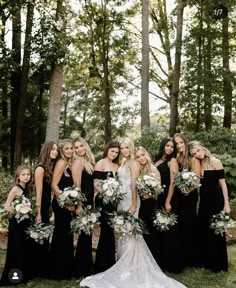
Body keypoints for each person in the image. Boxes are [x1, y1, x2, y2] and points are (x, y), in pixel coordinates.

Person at [80, 145, 187, 288]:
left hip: (130, 200)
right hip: (120, 200)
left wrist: (134, 204)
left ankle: (131, 265)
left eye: (125, 148)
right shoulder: (123, 162)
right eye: (121, 148)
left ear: (130, 148)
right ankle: (122, 262)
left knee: (130, 231)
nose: (123, 151)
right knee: (122, 231)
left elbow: (134, 185)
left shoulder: (134, 163)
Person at [188, 141, 230, 272]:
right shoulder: (198, 163)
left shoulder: (215, 161)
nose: (197, 154)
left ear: (202, 147)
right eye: (194, 154)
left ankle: (220, 263)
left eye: (197, 151)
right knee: (204, 230)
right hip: (204, 202)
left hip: (216, 201)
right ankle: (207, 262)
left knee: (217, 230)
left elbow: (223, 184)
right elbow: (197, 183)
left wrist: (226, 203)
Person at [29, 142, 58, 279]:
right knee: (40, 237)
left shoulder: (49, 168)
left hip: (47, 206)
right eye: (53, 149)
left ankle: (42, 267)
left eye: (56, 150)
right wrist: (39, 211)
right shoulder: (40, 169)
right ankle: (37, 269)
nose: (55, 151)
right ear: (46, 150)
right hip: (41, 206)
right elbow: (38, 192)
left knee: (44, 236)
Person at [0, 165, 32, 286]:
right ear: (18, 176)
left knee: (24, 248)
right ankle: (14, 276)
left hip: (25, 222)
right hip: (17, 223)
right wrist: (19, 210)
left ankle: (24, 274)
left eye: (28, 174)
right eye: (23, 175)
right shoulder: (15, 189)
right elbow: (7, 206)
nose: (26, 177)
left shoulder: (27, 188)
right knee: (16, 248)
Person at [155, 138, 183, 273]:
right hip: (158, 198)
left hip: (169, 198)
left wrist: (168, 201)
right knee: (161, 231)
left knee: (170, 232)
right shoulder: (157, 159)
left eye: (172, 147)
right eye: (168, 145)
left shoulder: (172, 161)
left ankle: (173, 264)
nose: (170, 148)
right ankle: (162, 262)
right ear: (163, 146)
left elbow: (173, 182)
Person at [173, 133, 200, 268]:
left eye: (181, 143)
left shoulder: (192, 159)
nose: (179, 146)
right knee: (181, 225)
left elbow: (197, 178)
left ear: (185, 142)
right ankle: (182, 257)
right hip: (179, 196)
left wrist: (187, 190)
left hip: (190, 196)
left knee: (190, 225)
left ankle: (192, 259)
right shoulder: (177, 158)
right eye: (177, 144)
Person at [93, 140, 120, 273]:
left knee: (112, 231)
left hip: (115, 201)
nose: (114, 154)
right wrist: (107, 192)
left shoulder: (117, 165)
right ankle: (102, 264)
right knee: (106, 231)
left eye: (116, 152)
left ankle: (111, 262)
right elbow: (96, 184)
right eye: (112, 151)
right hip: (104, 200)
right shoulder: (101, 163)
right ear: (107, 149)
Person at [50, 139, 74, 279]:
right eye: (67, 149)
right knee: (62, 235)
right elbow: (54, 185)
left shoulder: (68, 163)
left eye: (71, 148)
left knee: (64, 235)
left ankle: (63, 268)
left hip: (64, 203)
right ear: (61, 151)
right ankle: (59, 270)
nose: (70, 151)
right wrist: (65, 203)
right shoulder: (62, 163)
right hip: (60, 204)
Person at [72, 137, 95, 277]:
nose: (80, 149)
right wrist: (79, 205)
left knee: (87, 235)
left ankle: (86, 266)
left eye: (81, 146)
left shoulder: (89, 162)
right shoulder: (77, 163)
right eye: (76, 147)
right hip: (82, 203)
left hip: (89, 202)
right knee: (84, 235)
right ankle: (80, 268)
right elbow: (77, 186)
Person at [135, 145, 161, 263]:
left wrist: (149, 194)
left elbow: (159, 189)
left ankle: (154, 260)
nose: (141, 158)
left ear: (146, 154)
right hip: (141, 204)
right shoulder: (138, 170)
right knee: (143, 230)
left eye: (142, 155)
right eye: (138, 157)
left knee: (152, 232)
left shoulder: (153, 169)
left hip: (151, 204)